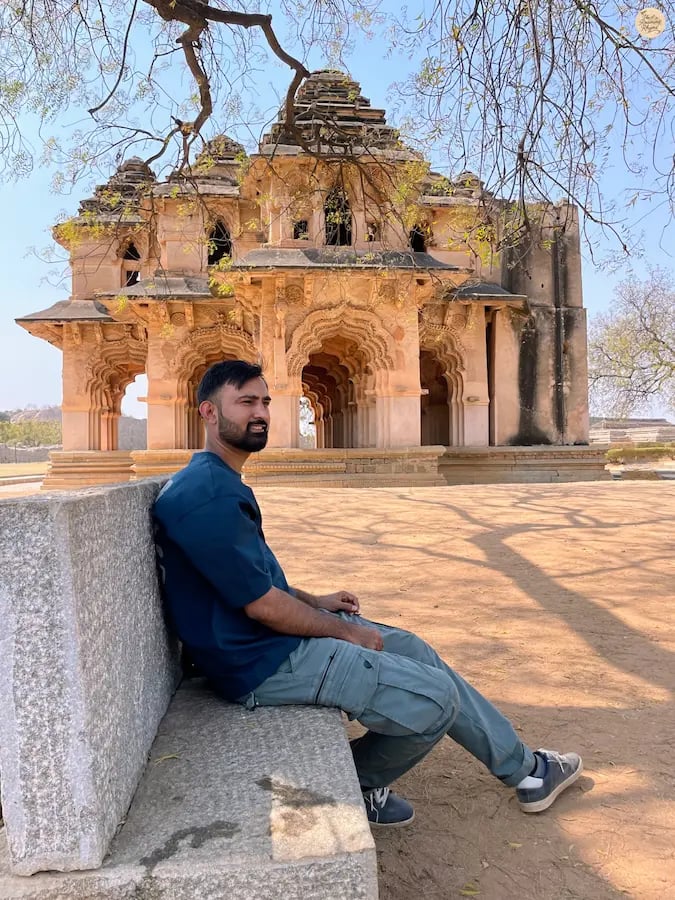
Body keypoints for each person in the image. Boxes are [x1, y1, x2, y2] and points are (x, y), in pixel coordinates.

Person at [153, 360, 583, 826]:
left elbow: (253, 580)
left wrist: (315, 601)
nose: (260, 413)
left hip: (269, 640)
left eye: (265, 402)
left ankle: (528, 772)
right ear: (209, 413)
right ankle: (356, 783)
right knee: (437, 701)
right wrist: (346, 633)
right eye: (245, 402)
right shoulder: (208, 496)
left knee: (415, 650)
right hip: (262, 664)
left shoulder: (214, 482)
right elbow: (262, 605)